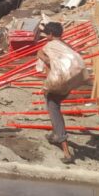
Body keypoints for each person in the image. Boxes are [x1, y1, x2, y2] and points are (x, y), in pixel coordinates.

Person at [36, 21, 83, 164]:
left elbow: (50, 63)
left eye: (46, 34)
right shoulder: (66, 46)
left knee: (54, 110)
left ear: (50, 34)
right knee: (53, 106)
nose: (45, 37)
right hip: (68, 85)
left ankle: (66, 150)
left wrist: (41, 56)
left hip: (57, 84)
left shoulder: (50, 46)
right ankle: (55, 135)